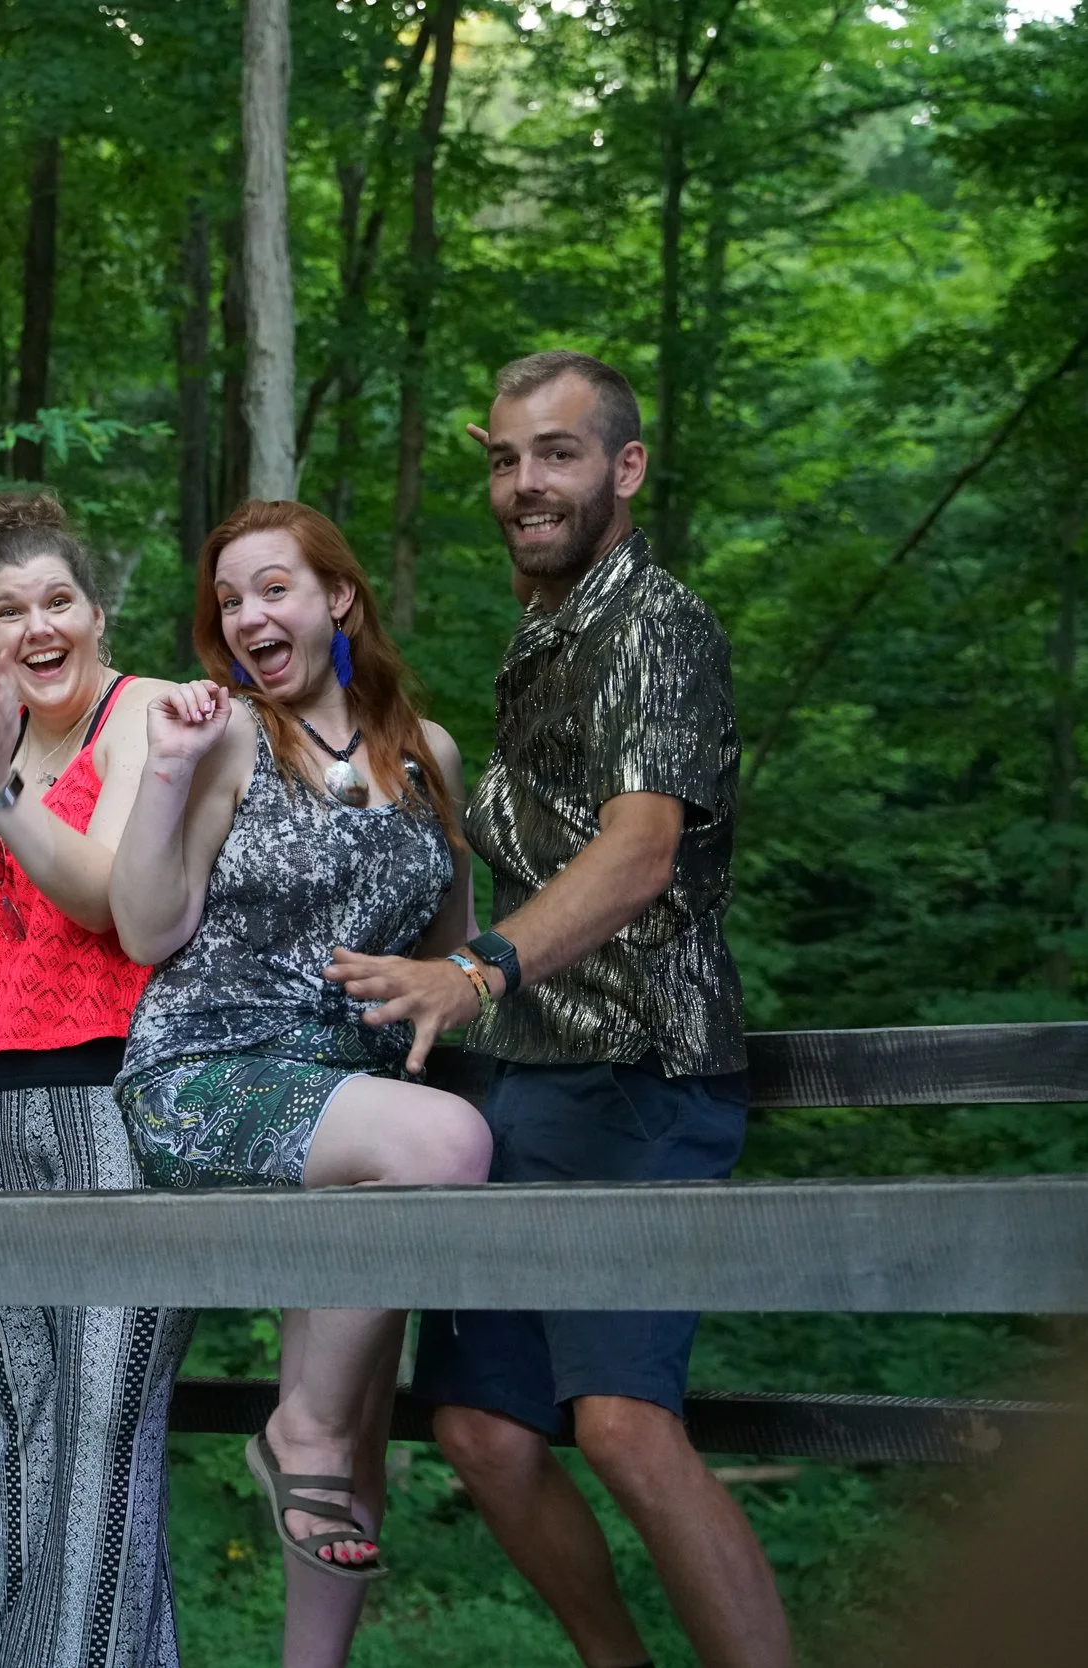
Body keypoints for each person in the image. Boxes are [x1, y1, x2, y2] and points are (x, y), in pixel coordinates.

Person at [330, 350, 791, 1668]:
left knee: (626, 1427)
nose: (525, 482)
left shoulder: (655, 623)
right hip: (525, 1082)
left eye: (559, 452)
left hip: (644, 1070)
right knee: (479, 1431)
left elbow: (642, 850)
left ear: (625, 469)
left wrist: (473, 972)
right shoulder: (546, 630)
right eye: (505, 457)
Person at [107, 500, 491, 1668]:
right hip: (211, 1071)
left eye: (272, 587)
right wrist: (166, 772)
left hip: (356, 1101)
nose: (246, 616)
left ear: (340, 600)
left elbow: (456, 951)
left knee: (363, 1435)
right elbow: (143, 927)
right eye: (228, 600)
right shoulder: (221, 734)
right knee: (449, 1149)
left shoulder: (431, 755)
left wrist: (447, 979)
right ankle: (295, 1429)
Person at [0, 493, 195, 1668]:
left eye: (57, 600)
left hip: (114, 1092)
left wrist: (4, 794)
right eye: (10, 612)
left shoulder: (146, 715)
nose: (36, 625)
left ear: (98, 617)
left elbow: (106, 899)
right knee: (26, 1418)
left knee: (108, 1421)